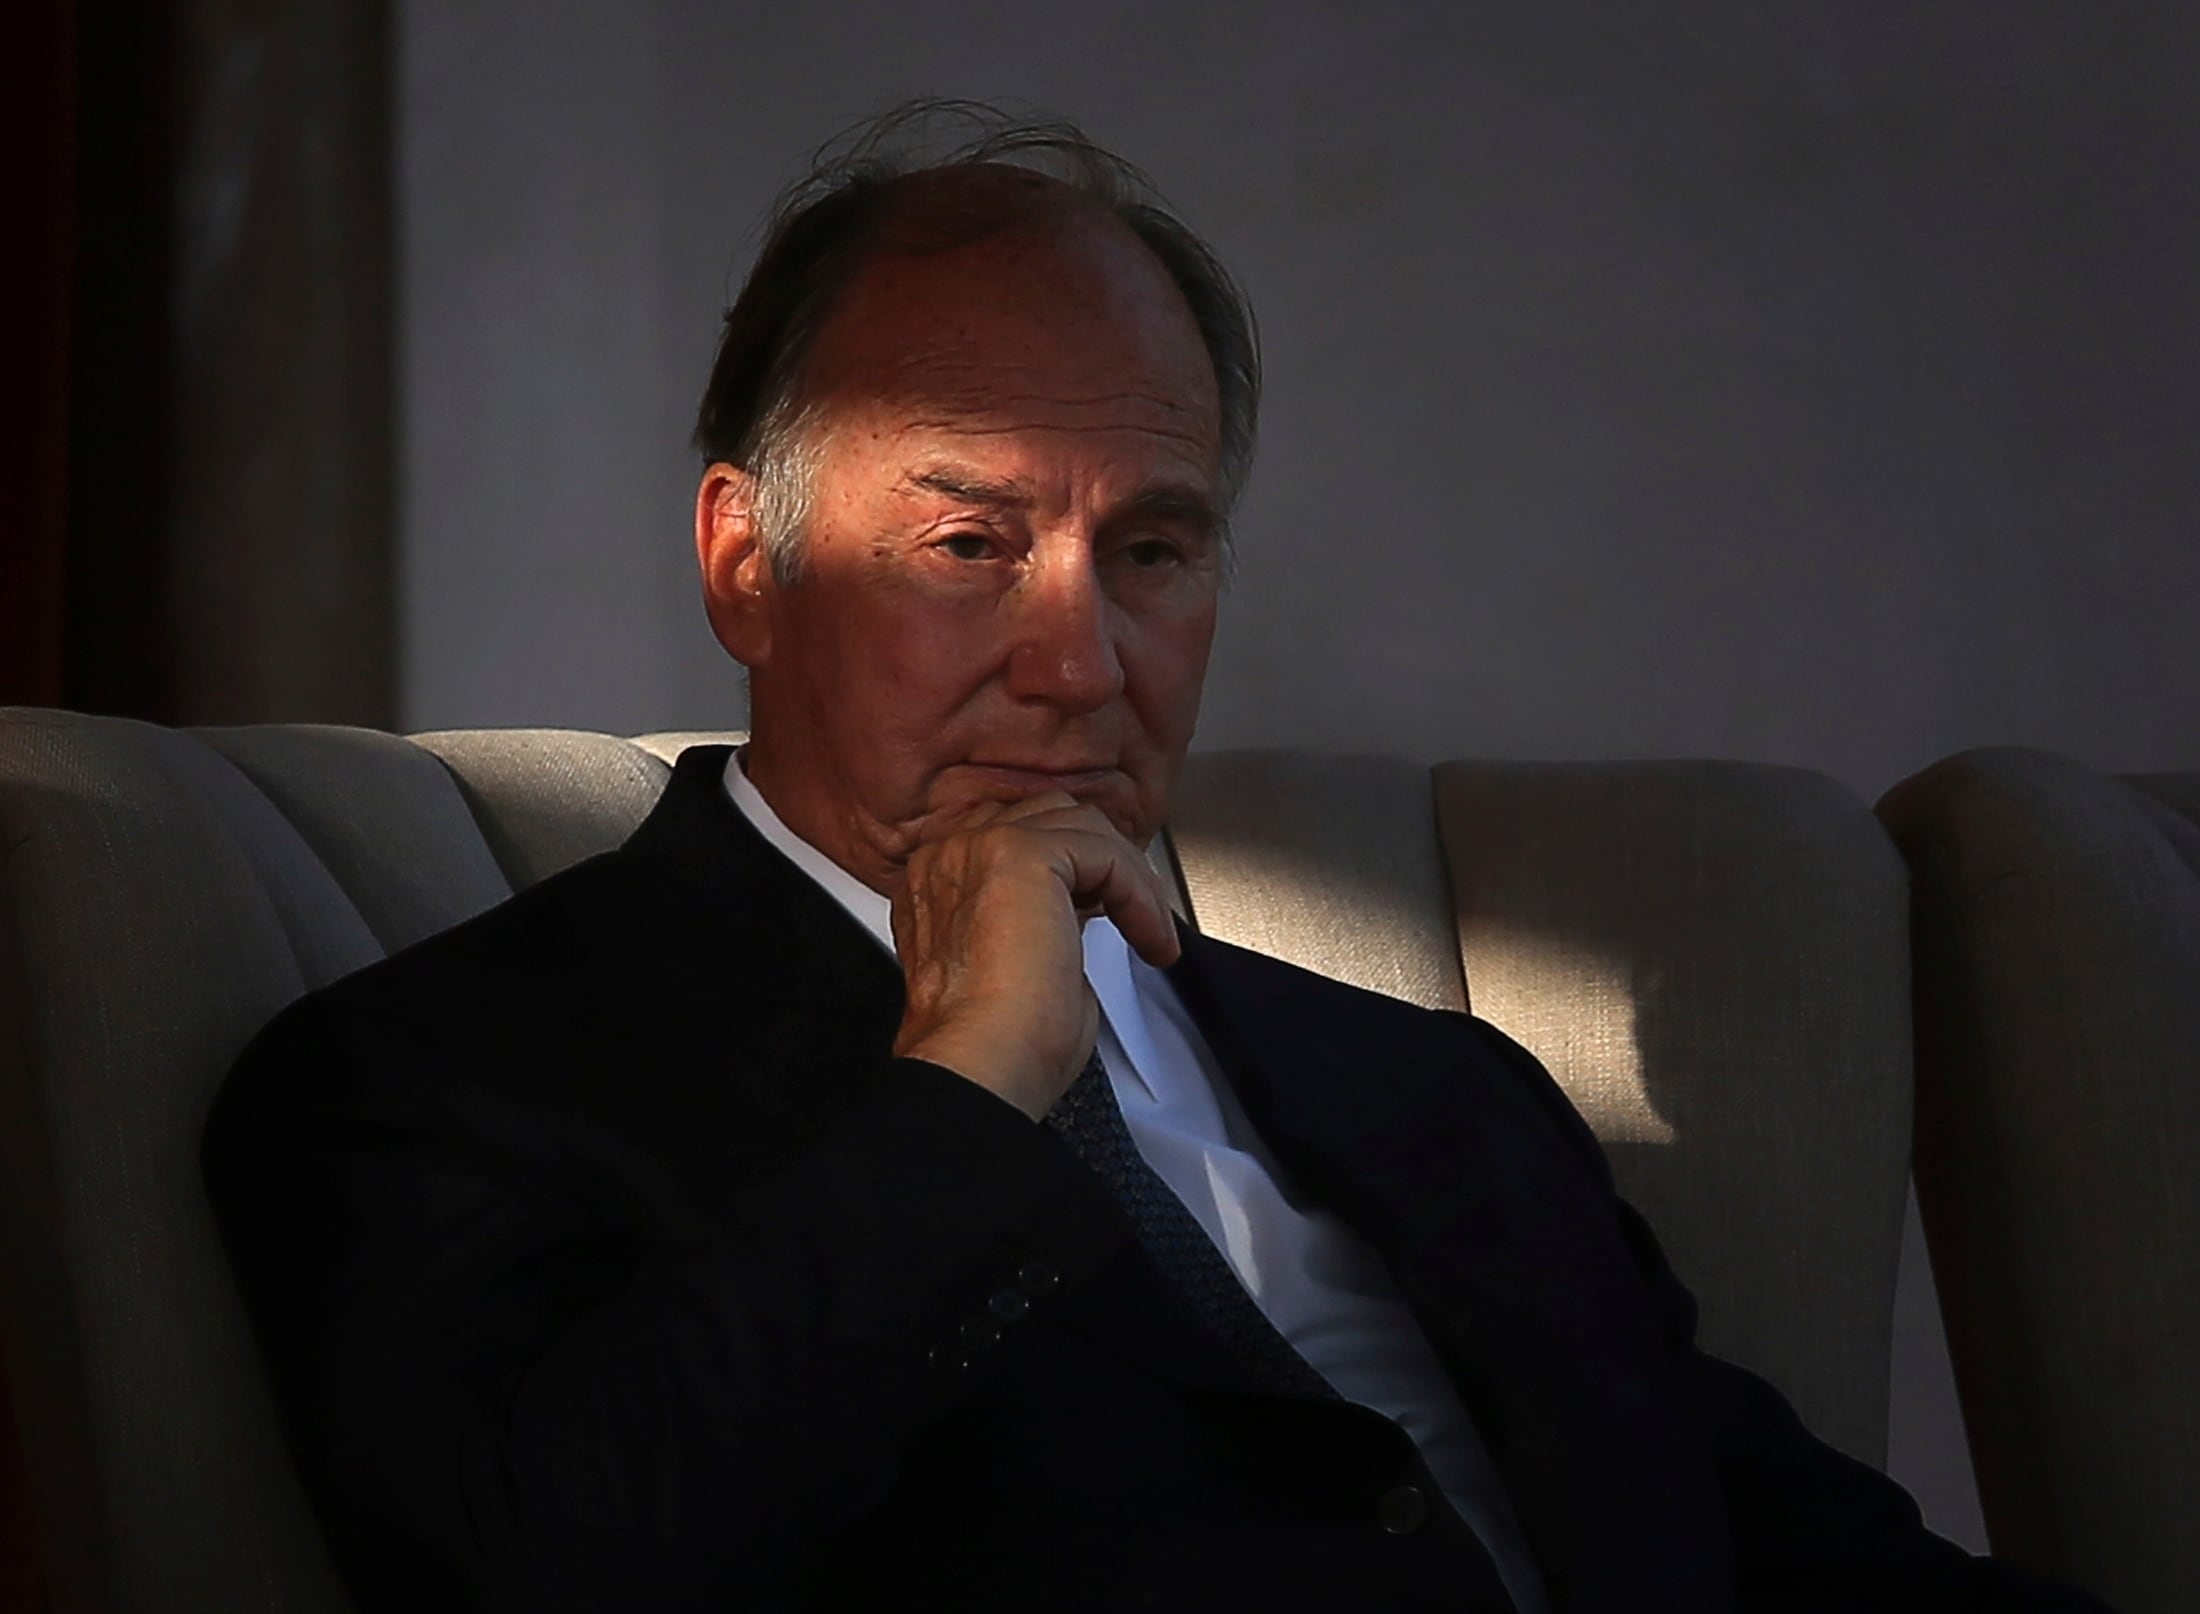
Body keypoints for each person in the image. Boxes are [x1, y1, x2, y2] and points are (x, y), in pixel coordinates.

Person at [200, 103, 2111, 1613]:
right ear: (745, 564)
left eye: (1154, 551)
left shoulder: (1442, 1095)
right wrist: (965, 1083)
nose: (1081, 659)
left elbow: (1802, 1553)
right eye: (971, 544)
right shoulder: (427, 1087)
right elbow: (565, 1567)